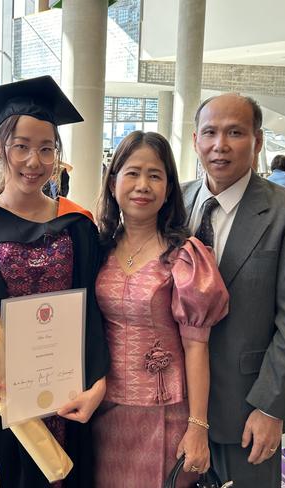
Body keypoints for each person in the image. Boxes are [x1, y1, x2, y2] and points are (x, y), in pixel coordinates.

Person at [0, 76, 110, 488]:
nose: (34, 161)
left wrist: (99, 381)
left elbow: (92, 313)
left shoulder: (77, 225)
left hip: (64, 399)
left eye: (47, 149)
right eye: (21, 146)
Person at [182, 93, 285, 486]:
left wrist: (271, 408)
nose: (219, 145)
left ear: (258, 142)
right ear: (195, 140)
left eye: (235, 132)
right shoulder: (176, 199)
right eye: (209, 132)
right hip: (176, 403)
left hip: (245, 407)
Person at [93, 131, 229, 487]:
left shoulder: (185, 256)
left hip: (164, 415)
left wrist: (198, 427)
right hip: (103, 411)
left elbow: (197, 346)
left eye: (155, 175)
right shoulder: (97, 247)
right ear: (112, 182)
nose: (143, 185)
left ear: (169, 188)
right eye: (132, 172)